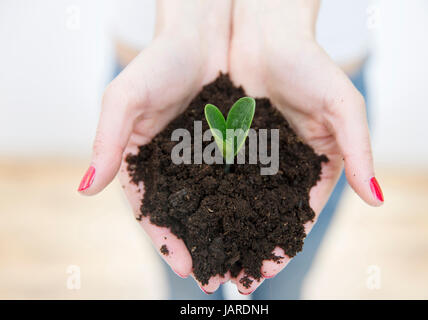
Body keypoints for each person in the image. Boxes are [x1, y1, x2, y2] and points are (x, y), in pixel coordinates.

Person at [78, 0, 384, 299]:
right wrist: (189, 23)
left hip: (312, 93)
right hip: (157, 80)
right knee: (189, 289)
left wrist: (280, 24)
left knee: (284, 288)